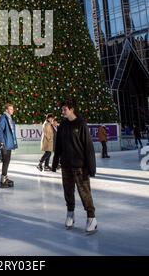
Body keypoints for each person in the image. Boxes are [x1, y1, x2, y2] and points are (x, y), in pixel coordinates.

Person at [52, 100, 97, 234]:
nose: (62, 111)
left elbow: (88, 147)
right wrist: (55, 163)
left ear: (71, 110)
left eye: (65, 109)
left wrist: (91, 167)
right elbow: (58, 146)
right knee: (68, 191)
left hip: (80, 166)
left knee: (84, 192)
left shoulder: (81, 124)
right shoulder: (63, 125)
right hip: (66, 165)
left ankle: (91, 218)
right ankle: (70, 213)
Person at [0, 103, 18, 188]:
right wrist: (2, 143)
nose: (12, 110)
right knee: (5, 162)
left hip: (8, 143)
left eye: (12, 109)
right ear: (6, 110)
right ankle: (3, 181)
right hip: (5, 144)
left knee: (7, 161)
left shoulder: (9, 118)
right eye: (10, 109)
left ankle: (4, 177)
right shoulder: (3, 118)